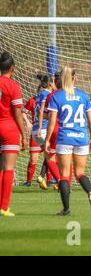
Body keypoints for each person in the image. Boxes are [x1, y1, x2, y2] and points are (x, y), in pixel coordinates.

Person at [45, 66, 91, 215]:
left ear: (61, 79)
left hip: (65, 138)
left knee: (64, 174)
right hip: (82, 138)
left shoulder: (57, 96)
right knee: (80, 172)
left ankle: (66, 209)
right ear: (75, 78)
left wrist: (48, 140)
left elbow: (51, 122)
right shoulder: (83, 95)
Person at [0, 51, 26, 217]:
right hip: (8, 127)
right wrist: (23, 134)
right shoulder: (13, 86)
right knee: (8, 168)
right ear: (13, 68)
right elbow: (17, 112)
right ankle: (4, 207)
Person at [32, 74, 61, 188]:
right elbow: (41, 112)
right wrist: (40, 128)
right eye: (53, 82)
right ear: (50, 84)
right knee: (56, 154)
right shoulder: (48, 95)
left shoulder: (39, 94)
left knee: (49, 154)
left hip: (36, 130)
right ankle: (59, 182)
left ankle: (43, 176)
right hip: (43, 129)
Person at [21, 84, 52, 188]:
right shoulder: (32, 100)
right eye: (40, 91)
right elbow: (23, 112)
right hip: (36, 132)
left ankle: (49, 179)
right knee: (33, 159)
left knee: (49, 155)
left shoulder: (49, 100)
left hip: (46, 131)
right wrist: (28, 122)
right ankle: (28, 181)